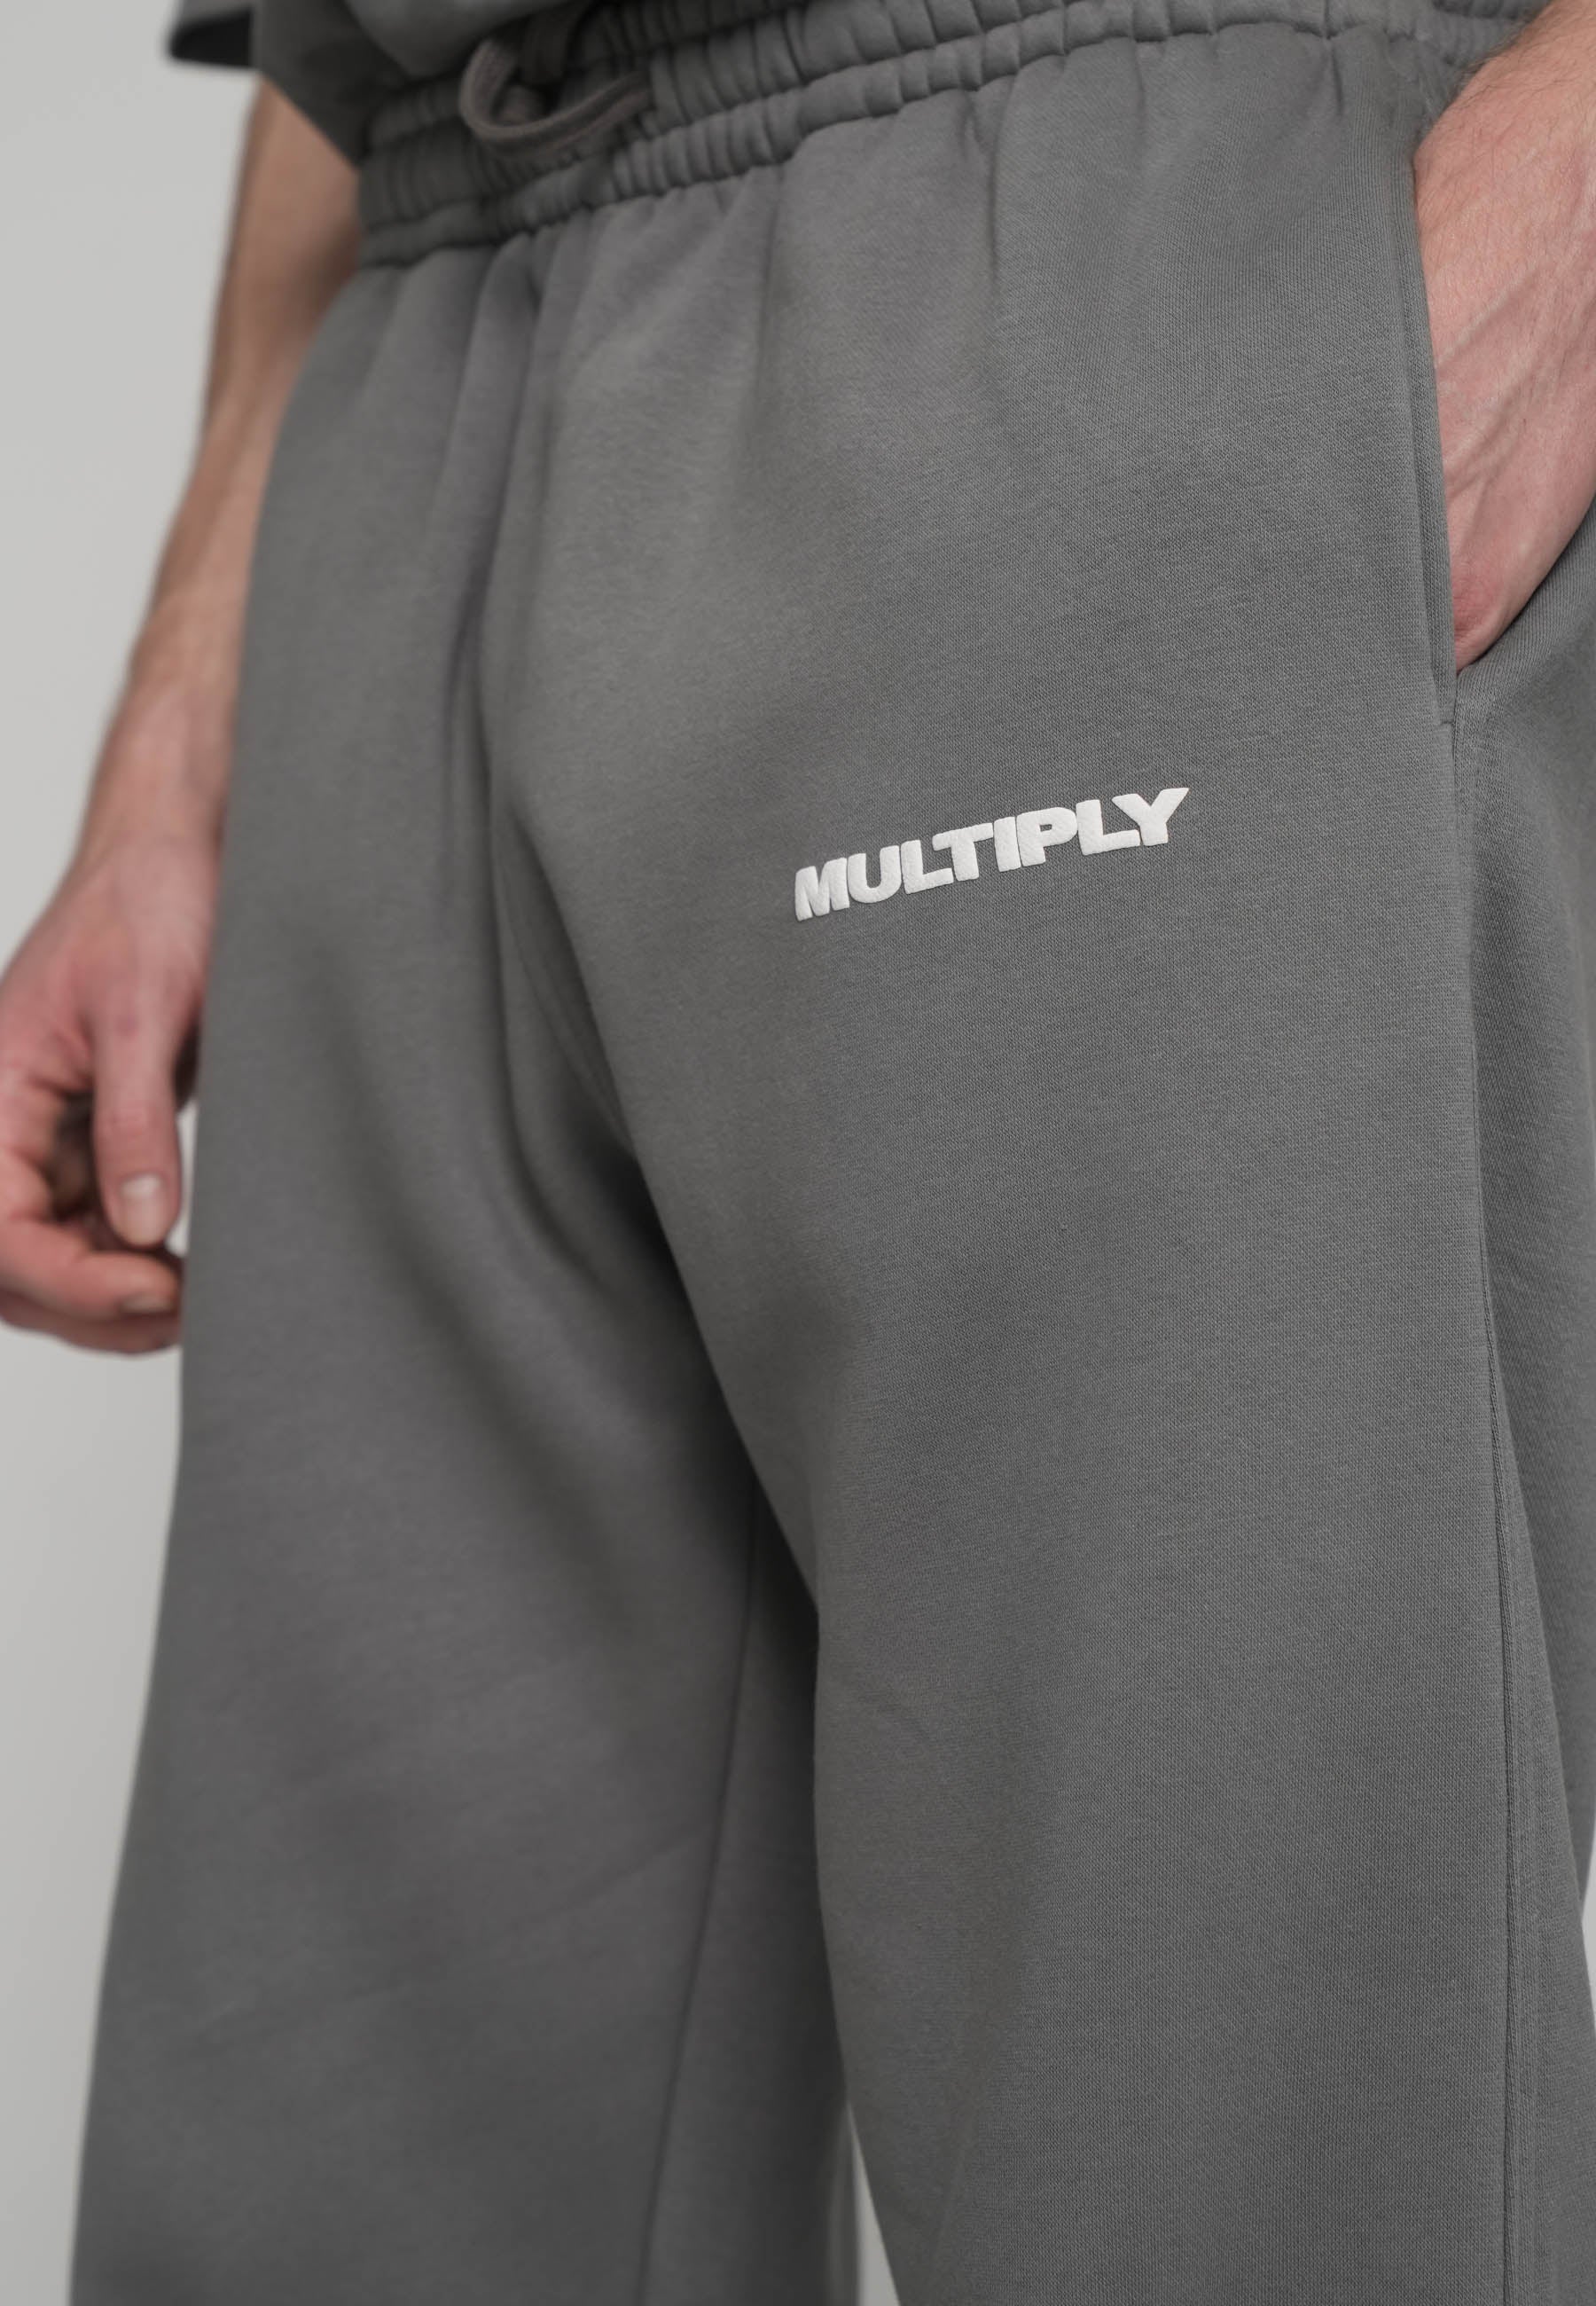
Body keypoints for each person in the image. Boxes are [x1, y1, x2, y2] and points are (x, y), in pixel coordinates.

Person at [5, 0, 1596, 2294]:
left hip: (1093, 228)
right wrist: (178, 726)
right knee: (335, 2200)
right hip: (420, 337)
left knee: (1216, 2156)